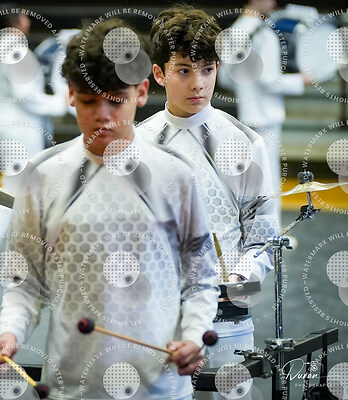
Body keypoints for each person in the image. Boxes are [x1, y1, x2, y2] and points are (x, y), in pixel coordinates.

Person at [0, 18, 220, 400]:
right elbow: (24, 282)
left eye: (116, 100)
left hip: (159, 389)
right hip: (70, 387)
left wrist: (194, 336)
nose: (103, 115)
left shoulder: (175, 173)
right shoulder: (42, 175)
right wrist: (10, 333)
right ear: (70, 95)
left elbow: (201, 278)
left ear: (142, 92)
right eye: (89, 101)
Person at [139, 5, 279, 399]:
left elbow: (264, 237)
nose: (198, 83)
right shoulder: (137, 145)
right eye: (184, 70)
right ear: (159, 73)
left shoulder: (246, 142)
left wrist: (239, 277)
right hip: (157, 326)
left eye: (207, 69)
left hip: (228, 324)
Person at [0, 4, 69, 265]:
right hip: (19, 128)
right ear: (17, 21)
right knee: (17, 187)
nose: (28, 19)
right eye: (24, 14)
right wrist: (60, 102)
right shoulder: (16, 48)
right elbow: (26, 95)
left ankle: (29, 244)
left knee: (25, 187)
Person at [216, 0, 309, 219]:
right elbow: (269, 80)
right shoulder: (263, 33)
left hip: (246, 115)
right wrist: (301, 80)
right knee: (269, 181)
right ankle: (270, 231)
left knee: (248, 182)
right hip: (266, 115)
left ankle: (250, 229)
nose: (273, 2)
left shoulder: (233, 32)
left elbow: (225, 79)